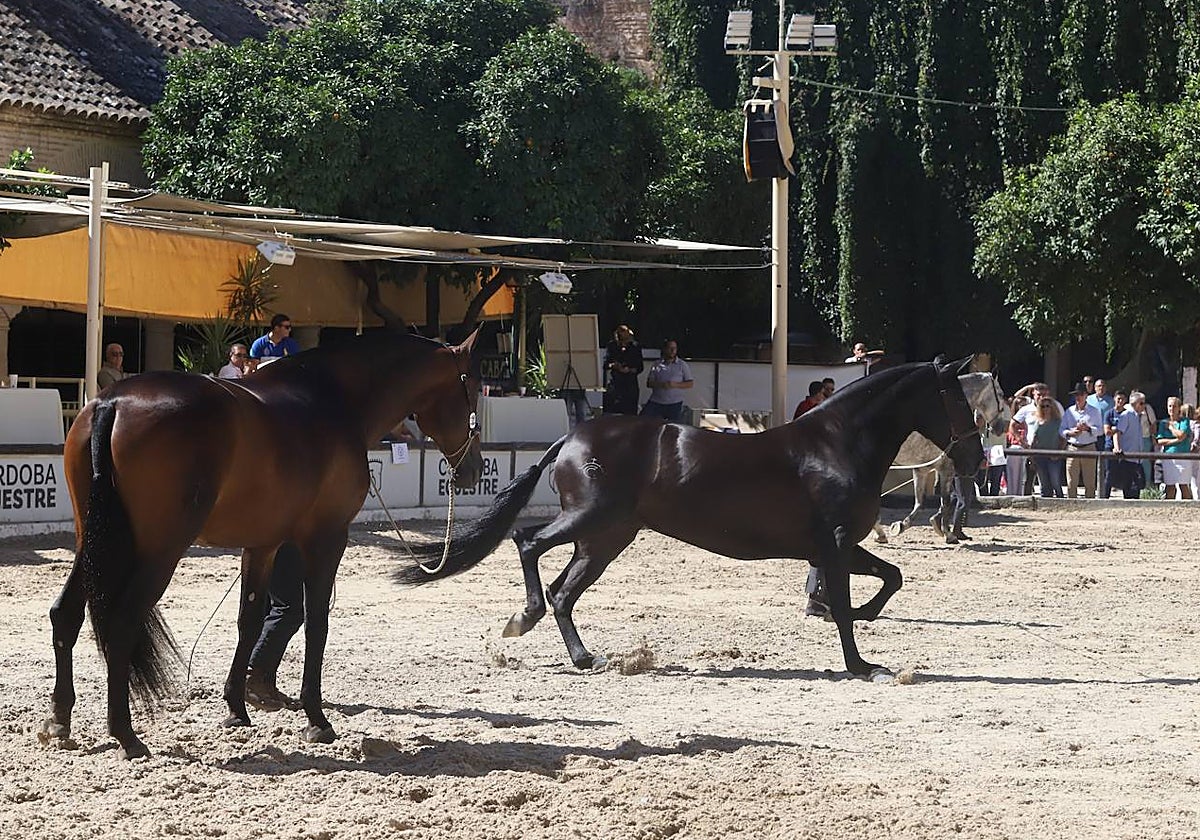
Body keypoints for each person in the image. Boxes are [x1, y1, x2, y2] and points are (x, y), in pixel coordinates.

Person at [245, 543, 304, 711]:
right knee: (290, 607)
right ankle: (252, 674)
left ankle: (265, 682)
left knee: (270, 606)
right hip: (286, 533)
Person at [1060, 383, 1102, 498]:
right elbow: (1062, 430)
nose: (1078, 397)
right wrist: (1070, 433)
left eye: (1080, 394)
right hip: (1073, 447)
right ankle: (1071, 505)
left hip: (1089, 447)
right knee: (1071, 482)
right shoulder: (1069, 411)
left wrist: (1088, 429)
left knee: (1090, 482)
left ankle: (1089, 506)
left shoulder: (1094, 411)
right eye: (1076, 395)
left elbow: (1100, 430)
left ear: (1086, 395)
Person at [641, 339, 693, 423]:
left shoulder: (682, 365)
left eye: (674, 348)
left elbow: (690, 383)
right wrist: (661, 385)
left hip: (674, 403)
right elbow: (649, 383)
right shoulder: (657, 364)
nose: (672, 351)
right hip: (656, 402)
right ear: (665, 349)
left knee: (674, 428)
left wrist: (675, 385)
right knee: (643, 421)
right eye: (670, 348)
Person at [1105, 390, 1144, 498]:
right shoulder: (1126, 415)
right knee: (1129, 488)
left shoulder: (1137, 416)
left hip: (1137, 458)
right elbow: (1117, 432)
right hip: (1128, 458)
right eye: (1141, 403)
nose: (1143, 406)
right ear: (1135, 403)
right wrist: (1117, 448)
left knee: (1137, 488)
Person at [1156, 396, 1193, 500]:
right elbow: (1160, 441)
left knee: (1184, 485)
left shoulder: (1184, 421)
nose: (1172, 408)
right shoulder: (1163, 423)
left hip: (1183, 457)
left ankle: (1187, 508)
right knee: (1170, 486)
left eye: (1174, 406)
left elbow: (1182, 435)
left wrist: (1171, 428)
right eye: (1170, 406)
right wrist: (1176, 441)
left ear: (1179, 408)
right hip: (1169, 457)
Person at [602, 325, 643, 416]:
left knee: (630, 414)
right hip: (616, 385)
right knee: (612, 413)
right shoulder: (612, 346)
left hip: (630, 385)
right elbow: (606, 364)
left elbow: (640, 367)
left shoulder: (635, 347)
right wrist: (615, 366)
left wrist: (629, 370)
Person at [1029, 397, 1064, 497]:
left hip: (1054, 456)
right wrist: (1032, 457)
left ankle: (1060, 500)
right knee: (1044, 483)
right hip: (1040, 456)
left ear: (1052, 407)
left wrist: (1059, 452)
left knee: (1055, 481)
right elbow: (1034, 441)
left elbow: (1063, 439)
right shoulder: (1037, 423)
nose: (1045, 409)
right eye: (1043, 406)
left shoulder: (1058, 422)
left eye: (1048, 406)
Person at [1087, 379, 1115, 493]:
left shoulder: (1111, 401)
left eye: (1103, 386)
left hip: (1106, 435)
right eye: (1098, 386)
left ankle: (1105, 488)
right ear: (1095, 388)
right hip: (1092, 434)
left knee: (1106, 463)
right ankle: (1092, 487)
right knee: (1092, 462)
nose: (1101, 388)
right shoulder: (1089, 400)